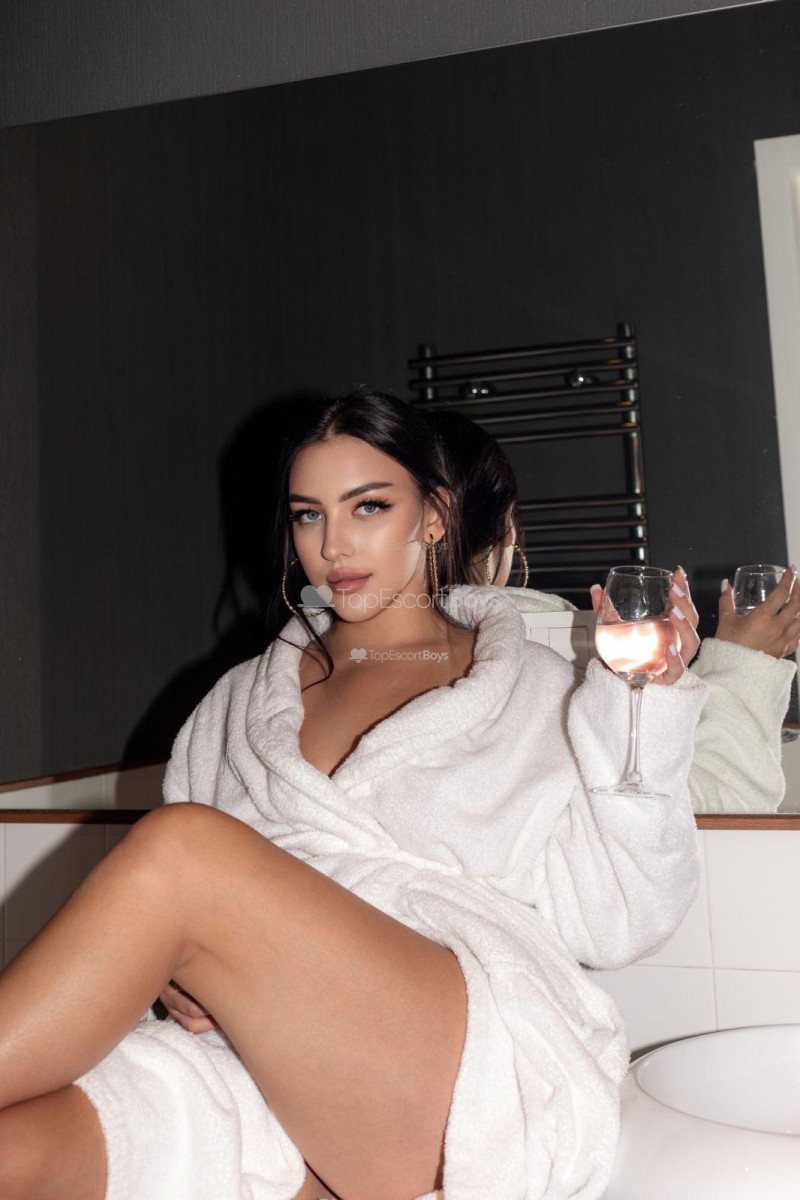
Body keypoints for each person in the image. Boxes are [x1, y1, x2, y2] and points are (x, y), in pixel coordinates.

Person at [0, 387, 712, 1200]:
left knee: (182, 847)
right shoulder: (235, 706)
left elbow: (620, 920)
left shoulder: (536, 693)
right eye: (308, 515)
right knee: (19, 1151)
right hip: (259, 1074)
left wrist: (643, 711)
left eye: (368, 506)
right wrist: (177, 978)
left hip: (462, 1077)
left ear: (433, 517)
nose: (333, 544)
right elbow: (194, 921)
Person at [428, 409, 800, 815]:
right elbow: (708, 807)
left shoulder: (386, 649)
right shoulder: (547, 643)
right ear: (506, 528)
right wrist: (744, 662)